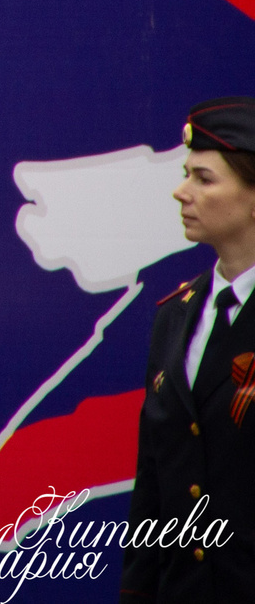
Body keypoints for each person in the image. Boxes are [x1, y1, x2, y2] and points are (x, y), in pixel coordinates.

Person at [125, 96, 255, 601]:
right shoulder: (175, 316)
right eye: (186, 174)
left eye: (204, 178)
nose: (181, 192)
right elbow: (152, 484)